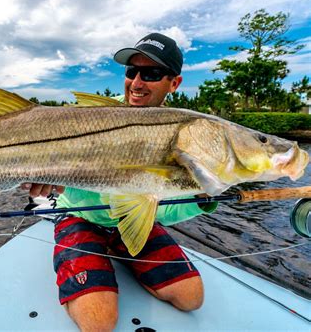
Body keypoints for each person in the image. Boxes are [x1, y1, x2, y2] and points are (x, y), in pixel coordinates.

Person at [22, 32, 217, 331]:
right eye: (131, 71)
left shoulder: (185, 133)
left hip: (133, 221)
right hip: (80, 217)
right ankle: (105, 248)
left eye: (151, 73)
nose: (137, 82)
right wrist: (48, 181)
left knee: (191, 298)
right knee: (98, 322)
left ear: (174, 83)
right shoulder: (93, 115)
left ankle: (117, 248)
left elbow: (161, 208)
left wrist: (203, 197)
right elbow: (63, 178)